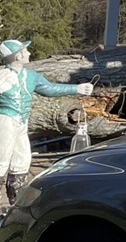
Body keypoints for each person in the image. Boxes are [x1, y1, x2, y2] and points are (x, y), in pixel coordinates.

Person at [0, 40, 92, 206]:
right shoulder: (2, 77)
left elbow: (49, 89)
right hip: (4, 121)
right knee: (1, 160)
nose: (28, 53)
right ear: (17, 56)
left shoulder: (30, 76)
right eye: (25, 51)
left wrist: (76, 89)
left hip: (21, 122)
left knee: (22, 160)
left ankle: (16, 203)